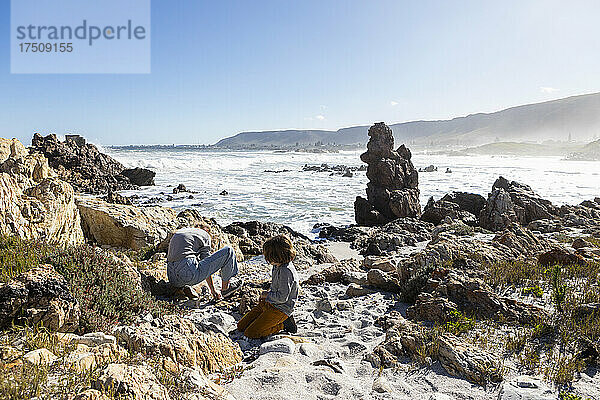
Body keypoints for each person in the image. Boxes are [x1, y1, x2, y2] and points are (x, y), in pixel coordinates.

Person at [237, 235, 299, 338]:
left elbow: (283, 297)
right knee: (241, 326)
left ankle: (284, 324)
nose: (267, 259)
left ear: (278, 255)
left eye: (269, 256)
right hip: (270, 303)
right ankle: (270, 319)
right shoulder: (276, 266)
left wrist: (267, 295)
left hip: (281, 309)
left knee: (251, 333)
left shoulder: (286, 271)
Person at [167, 226, 241, 300]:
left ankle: (184, 288)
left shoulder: (183, 231)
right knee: (229, 251)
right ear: (206, 230)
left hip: (172, 278)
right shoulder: (205, 235)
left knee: (190, 261)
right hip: (188, 274)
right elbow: (207, 264)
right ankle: (226, 289)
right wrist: (212, 290)